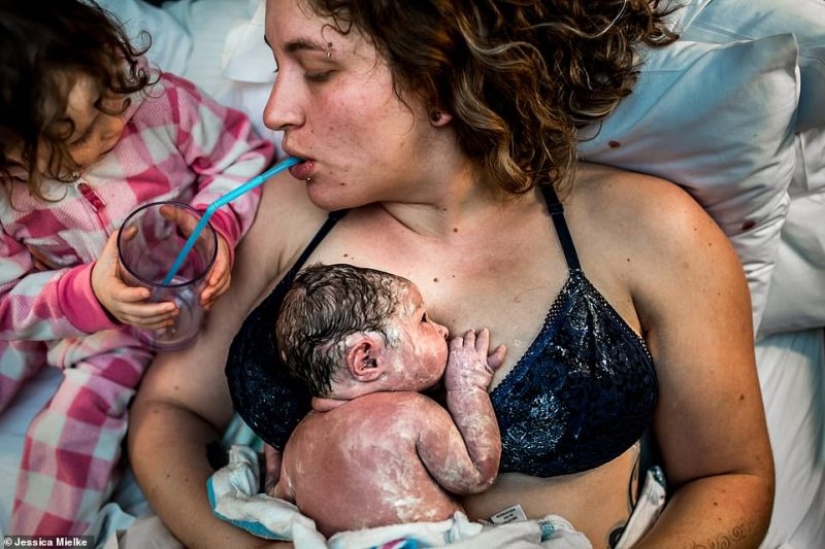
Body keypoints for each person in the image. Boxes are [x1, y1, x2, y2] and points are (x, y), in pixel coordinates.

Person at [128, 0, 775, 547]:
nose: (275, 110)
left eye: (317, 70)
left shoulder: (651, 231)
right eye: (275, 67)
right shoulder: (282, 216)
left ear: (439, 79)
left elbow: (728, 478)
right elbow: (172, 409)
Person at [0, 0, 274, 536]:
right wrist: (88, 294)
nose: (109, 127)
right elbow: (9, 302)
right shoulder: (8, 198)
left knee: (69, 431)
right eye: (73, 136)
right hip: (60, 302)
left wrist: (213, 228)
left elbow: (243, 155)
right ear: (11, 156)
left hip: (130, 332)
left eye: (105, 96)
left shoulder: (157, 103)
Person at [268, 262, 504, 538]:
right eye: (423, 320)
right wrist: (466, 386)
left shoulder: (298, 442)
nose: (442, 330)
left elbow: (277, 500)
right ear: (368, 359)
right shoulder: (411, 413)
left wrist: (273, 459)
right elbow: (477, 474)